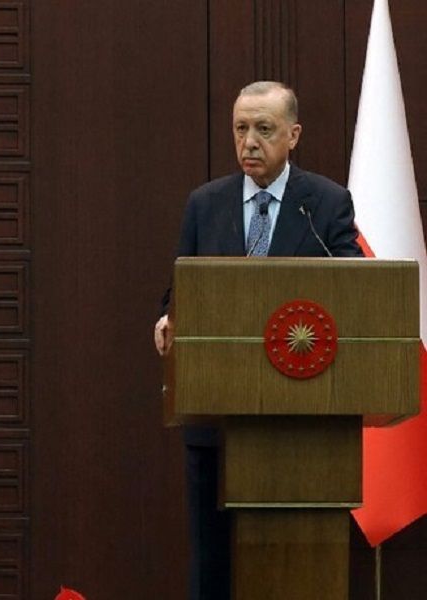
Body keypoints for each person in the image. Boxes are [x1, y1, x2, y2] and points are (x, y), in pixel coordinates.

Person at [154, 81, 363, 600]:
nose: (249, 142)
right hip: (216, 416)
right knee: (212, 560)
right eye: (241, 129)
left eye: (264, 129)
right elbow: (181, 288)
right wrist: (167, 318)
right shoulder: (205, 204)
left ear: (293, 135)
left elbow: (356, 290)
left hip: (302, 424)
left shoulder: (326, 203)